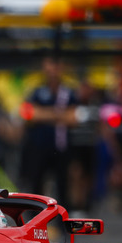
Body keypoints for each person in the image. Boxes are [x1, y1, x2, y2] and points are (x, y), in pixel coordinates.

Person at [19, 55, 78, 203]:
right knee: (36, 187)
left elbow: (73, 118)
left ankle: (61, 223)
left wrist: (43, 113)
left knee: (63, 188)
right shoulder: (36, 91)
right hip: (38, 147)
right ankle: (35, 220)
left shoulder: (68, 92)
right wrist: (59, 114)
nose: (53, 69)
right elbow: (29, 114)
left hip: (61, 147)